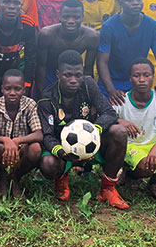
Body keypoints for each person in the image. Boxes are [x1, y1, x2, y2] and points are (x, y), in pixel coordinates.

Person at [38, 50, 129, 209]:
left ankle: (107, 188)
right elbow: (46, 135)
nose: (74, 80)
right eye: (68, 75)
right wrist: (62, 153)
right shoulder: (47, 99)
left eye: (78, 75)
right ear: (58, 74)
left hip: (91, 143)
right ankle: (61, 178)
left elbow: (109, 112)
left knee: (119, 132)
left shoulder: (88, 85)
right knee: (47, 164)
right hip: (62, 149)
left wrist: (94, 131)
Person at [113, 58, 156, 202]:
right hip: (132, 147)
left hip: (155, 146)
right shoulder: (121, 101)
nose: (142, 79)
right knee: (146, 168)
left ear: (153, 77)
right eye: (136, 75)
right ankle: (130, 175)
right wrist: (119, 120)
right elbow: (105, 120)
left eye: (146, 75)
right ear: (130, 78)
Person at [97, 0, 156, 106]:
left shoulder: (152, 26)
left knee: (151, 116)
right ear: (120, 2)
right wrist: (110, 90)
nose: (135, 3)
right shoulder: (109, 27)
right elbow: (102, 61)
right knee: (108, 119)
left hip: (138, 82)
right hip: (112, 82)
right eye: (130, 0)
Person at [0, 69, 42, 198]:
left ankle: (16, 177)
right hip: (0, 149)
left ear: (24, 90)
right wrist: (5, 140)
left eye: (17, 89)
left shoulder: (30, 104)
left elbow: (39, 134)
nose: (12, 93)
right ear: (2, 89)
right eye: (8, 88)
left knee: (36, 148)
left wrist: (17, 141)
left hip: (21, 150)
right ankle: (2, 177)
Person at [35, 0, 99, 97]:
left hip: (75, 74)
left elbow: (88, 69)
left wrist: (88, 94)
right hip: (49, 73)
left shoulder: (91, 37)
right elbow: (40, 66)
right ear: (60, 17)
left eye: (76, 17)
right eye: (66, 17)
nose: (71, 21)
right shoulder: (47, 35)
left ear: (82, 17)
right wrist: (40, 94)